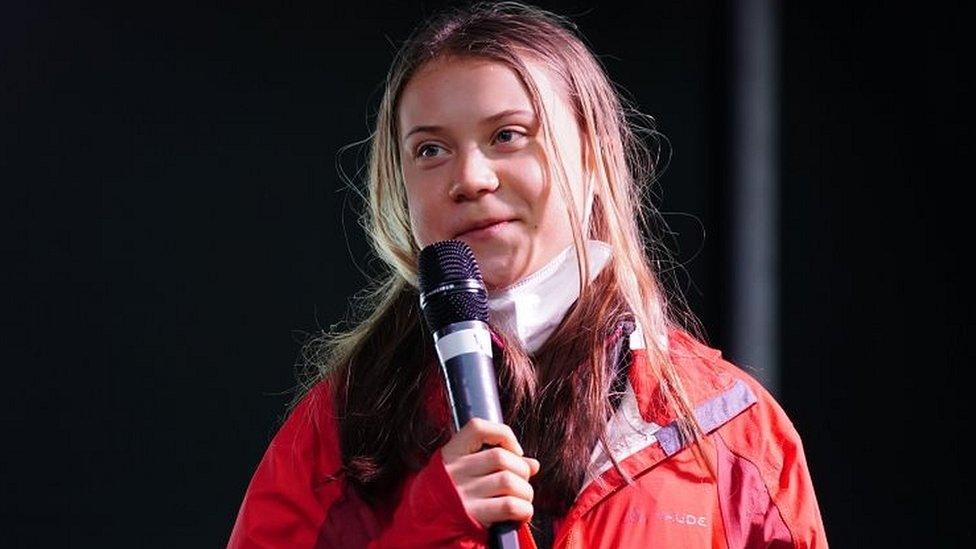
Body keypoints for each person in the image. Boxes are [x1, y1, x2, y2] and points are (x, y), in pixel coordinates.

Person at [228, 2, 827, 547]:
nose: (471, 178)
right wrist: (427, 523)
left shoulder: (727, 429)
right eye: (430, 150)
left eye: (507, 136)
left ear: (592, 159)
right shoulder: (343, 423)